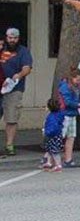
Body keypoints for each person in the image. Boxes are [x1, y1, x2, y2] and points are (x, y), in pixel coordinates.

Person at [1, 27, 34, 156]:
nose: (12, 40)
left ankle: (9, 145)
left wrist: (19, 75)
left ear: (18, 38)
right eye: (10, 38)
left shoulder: (23, 51)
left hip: (14, 89)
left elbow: (27, 68)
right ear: (6, 37)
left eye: (15, 38)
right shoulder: (1, 49)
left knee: (11, 118)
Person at [57, 68, 80, 167]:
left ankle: (68, 159)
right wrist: (79, 105)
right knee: (60, 137)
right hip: (65, 114)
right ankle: (52, 159)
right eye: (77, 80)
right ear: (72, 78)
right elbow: (67, 102)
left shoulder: (75, 87)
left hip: (72, 114)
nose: (78, 82)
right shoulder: (65, 86)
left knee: (71, 137)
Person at [41, 97, 64, 172]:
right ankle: (49, 162)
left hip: (52, 136)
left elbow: (52, 127)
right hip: (57, 135)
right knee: (50, 150)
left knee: (54, 151)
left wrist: (46, 132)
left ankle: (58, 165)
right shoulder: (59, 114)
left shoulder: (51, 117)